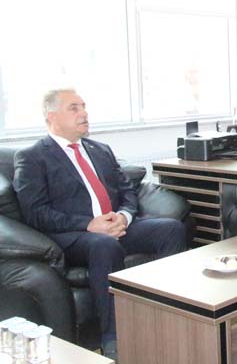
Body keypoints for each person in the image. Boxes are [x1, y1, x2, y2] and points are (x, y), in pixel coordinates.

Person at [12, 89, 188, 360]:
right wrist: (88, 224)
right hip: (72, 235)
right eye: (74, 108)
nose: (84, 113)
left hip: (115, 225)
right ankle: (113, 338)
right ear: (52, 116)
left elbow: (127, 191)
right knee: (104, 245)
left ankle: (171, 312)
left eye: (83, 106)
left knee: (171, 229)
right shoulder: (32, 157)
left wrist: (124, 216)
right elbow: (35, 212)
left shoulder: (100, 150)